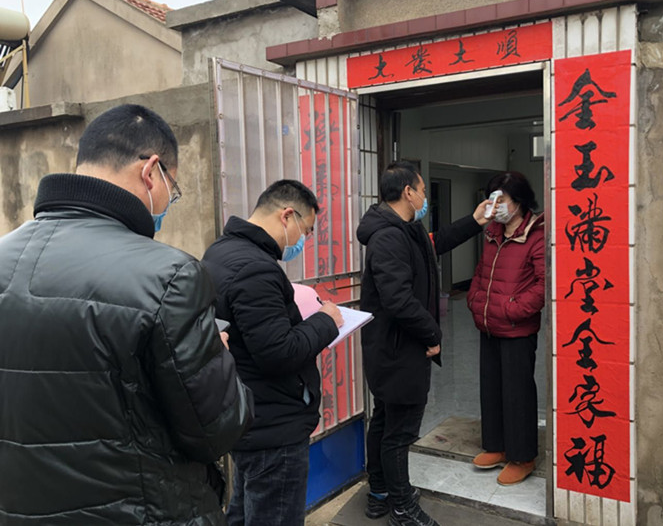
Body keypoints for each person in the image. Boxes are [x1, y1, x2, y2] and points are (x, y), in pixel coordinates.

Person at [0, 104, 254, 525]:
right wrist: (217, 357)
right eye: (173, 189)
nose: (168, 203)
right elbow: (218, 429)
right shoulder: (169, 275)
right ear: (151, 171)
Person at [357, 161, 493, 526]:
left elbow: (436, 244)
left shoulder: (405, 229)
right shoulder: (388, 238)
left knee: (385, 420)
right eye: (421, 190)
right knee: (398, 432)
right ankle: (402, 507)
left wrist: (475, 220)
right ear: (408, 192)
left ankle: (380, 492)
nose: (424, 197)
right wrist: (432, 335)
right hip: (398, 350)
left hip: (393, 347)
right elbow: (398, 299)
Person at [201, 180, 344, 526]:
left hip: (247, 413)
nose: (303, 241)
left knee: (244, 510)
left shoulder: (220, 251)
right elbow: (279, 353)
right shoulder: (255, 268)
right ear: (287, 216)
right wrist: (326, 321)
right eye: (306, 231)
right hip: (273, 426)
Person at [466, 171, 545, 486]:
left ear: (520, 201)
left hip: (516, 328)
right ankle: (496, 446)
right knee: (492, 388)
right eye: (492, 199)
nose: (495, 206)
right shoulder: (492, 232)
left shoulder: (536, 235)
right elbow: (481, 271)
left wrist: (512, 309)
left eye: (502, 200)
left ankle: (523, 456)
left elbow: (543, 284)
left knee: (517, 393)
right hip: (488, 324)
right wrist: (475, 300)